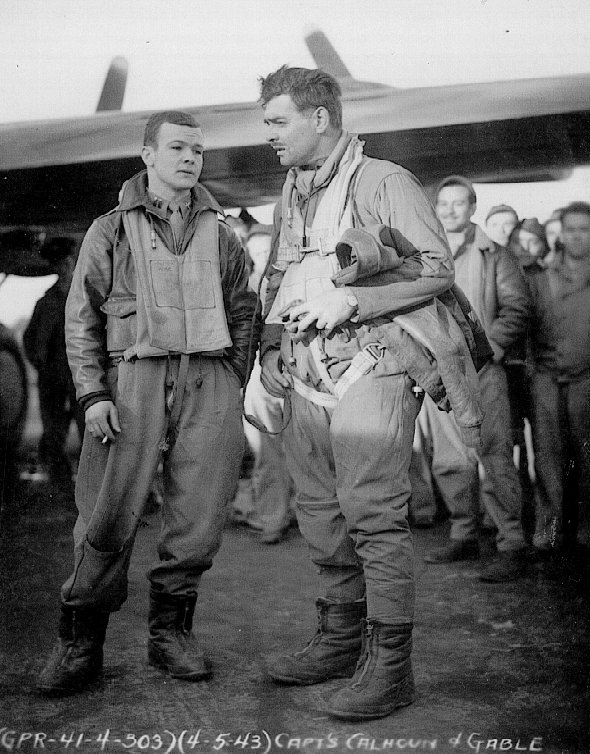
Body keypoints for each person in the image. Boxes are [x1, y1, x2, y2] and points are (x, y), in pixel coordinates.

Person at [257, 65, 458, 721]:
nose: (269, 135)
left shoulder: (384, 180)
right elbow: (280, 272)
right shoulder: (295, 189)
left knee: (371, 510)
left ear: (320, 118)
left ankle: (391, 667)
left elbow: (435, 267)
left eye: (278, 121)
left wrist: (351, 298)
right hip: (307, 367)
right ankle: (342, 640)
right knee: (319, 509)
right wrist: (268, 348)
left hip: (373, 359)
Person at [37, 110, 259, 695]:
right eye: (179, 148)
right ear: (148, 155)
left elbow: (243, 307)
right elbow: (81, 315)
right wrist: (91, 395)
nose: (191, 159)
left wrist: (233, 377)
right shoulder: (108, 230)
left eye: (198, 151)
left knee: (199, 518)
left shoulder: (222, 232)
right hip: (130, 383)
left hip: (208, 379)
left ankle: (170, 636)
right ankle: (80, 643)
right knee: (106, 515)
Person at [423, 175, 530, 581]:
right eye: (443, 203)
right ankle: (464, 535)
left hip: (484, 372)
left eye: (459, 203)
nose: (450, 210)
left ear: (473, 207)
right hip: (441, 373)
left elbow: (516, 309)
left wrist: (493, 351)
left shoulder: (495, 256)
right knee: (451, 460)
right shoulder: (425, 255)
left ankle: (511, 543)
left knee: (495, 456)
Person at [525, 202, 590, 553]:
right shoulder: (541, 277)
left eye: (585, 229)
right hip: (547, 379)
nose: (578, 236)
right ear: (561, 235)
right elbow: (528, 328)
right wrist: (536, 374)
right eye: (572, 229)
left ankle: (585, 530)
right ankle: (548, 533)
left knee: (587, 457)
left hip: (587, 380)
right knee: (547, 459)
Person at [23, 238, 84, 484]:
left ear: (73, 262)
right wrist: (41, 364)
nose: (64, 267)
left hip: (83, 376)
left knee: (90, 428)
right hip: (53, 377)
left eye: (67, 261)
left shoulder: (87, 296)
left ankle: (94, 483)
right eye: (58, 263)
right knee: (54, 430)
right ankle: (59, 481)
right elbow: (30, 339)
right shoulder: (46, 302)